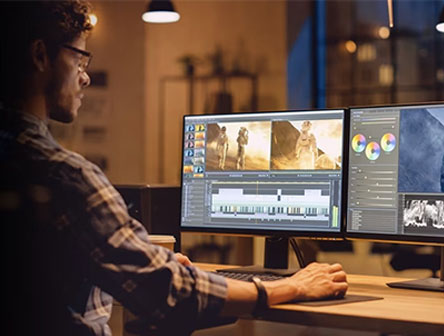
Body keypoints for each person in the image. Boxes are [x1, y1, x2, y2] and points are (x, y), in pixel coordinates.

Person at [0, 2, 348, 335]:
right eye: (80, 59)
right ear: (40, 55)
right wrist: (288, 287)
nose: (85, 78)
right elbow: (169, 293)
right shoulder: (67, 178)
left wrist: (146, 258)